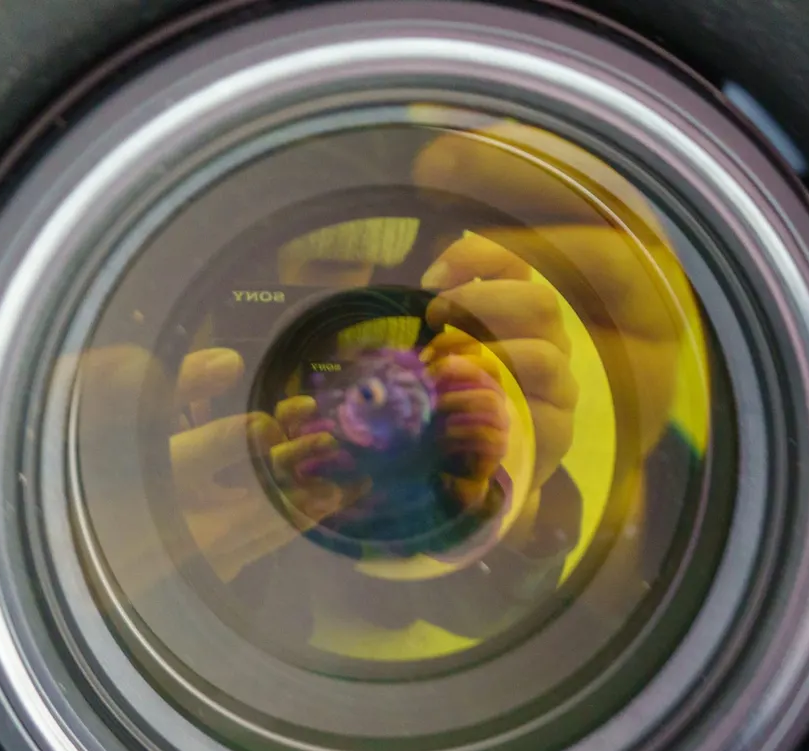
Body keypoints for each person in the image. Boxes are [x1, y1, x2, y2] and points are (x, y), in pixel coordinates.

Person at [85, 119, 703, 661]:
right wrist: (90, 561)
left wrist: (556, 503)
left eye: (334, 269)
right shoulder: (100, 384)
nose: (281, 326)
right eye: (241, 282)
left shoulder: (418, 368)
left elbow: (479, 622)